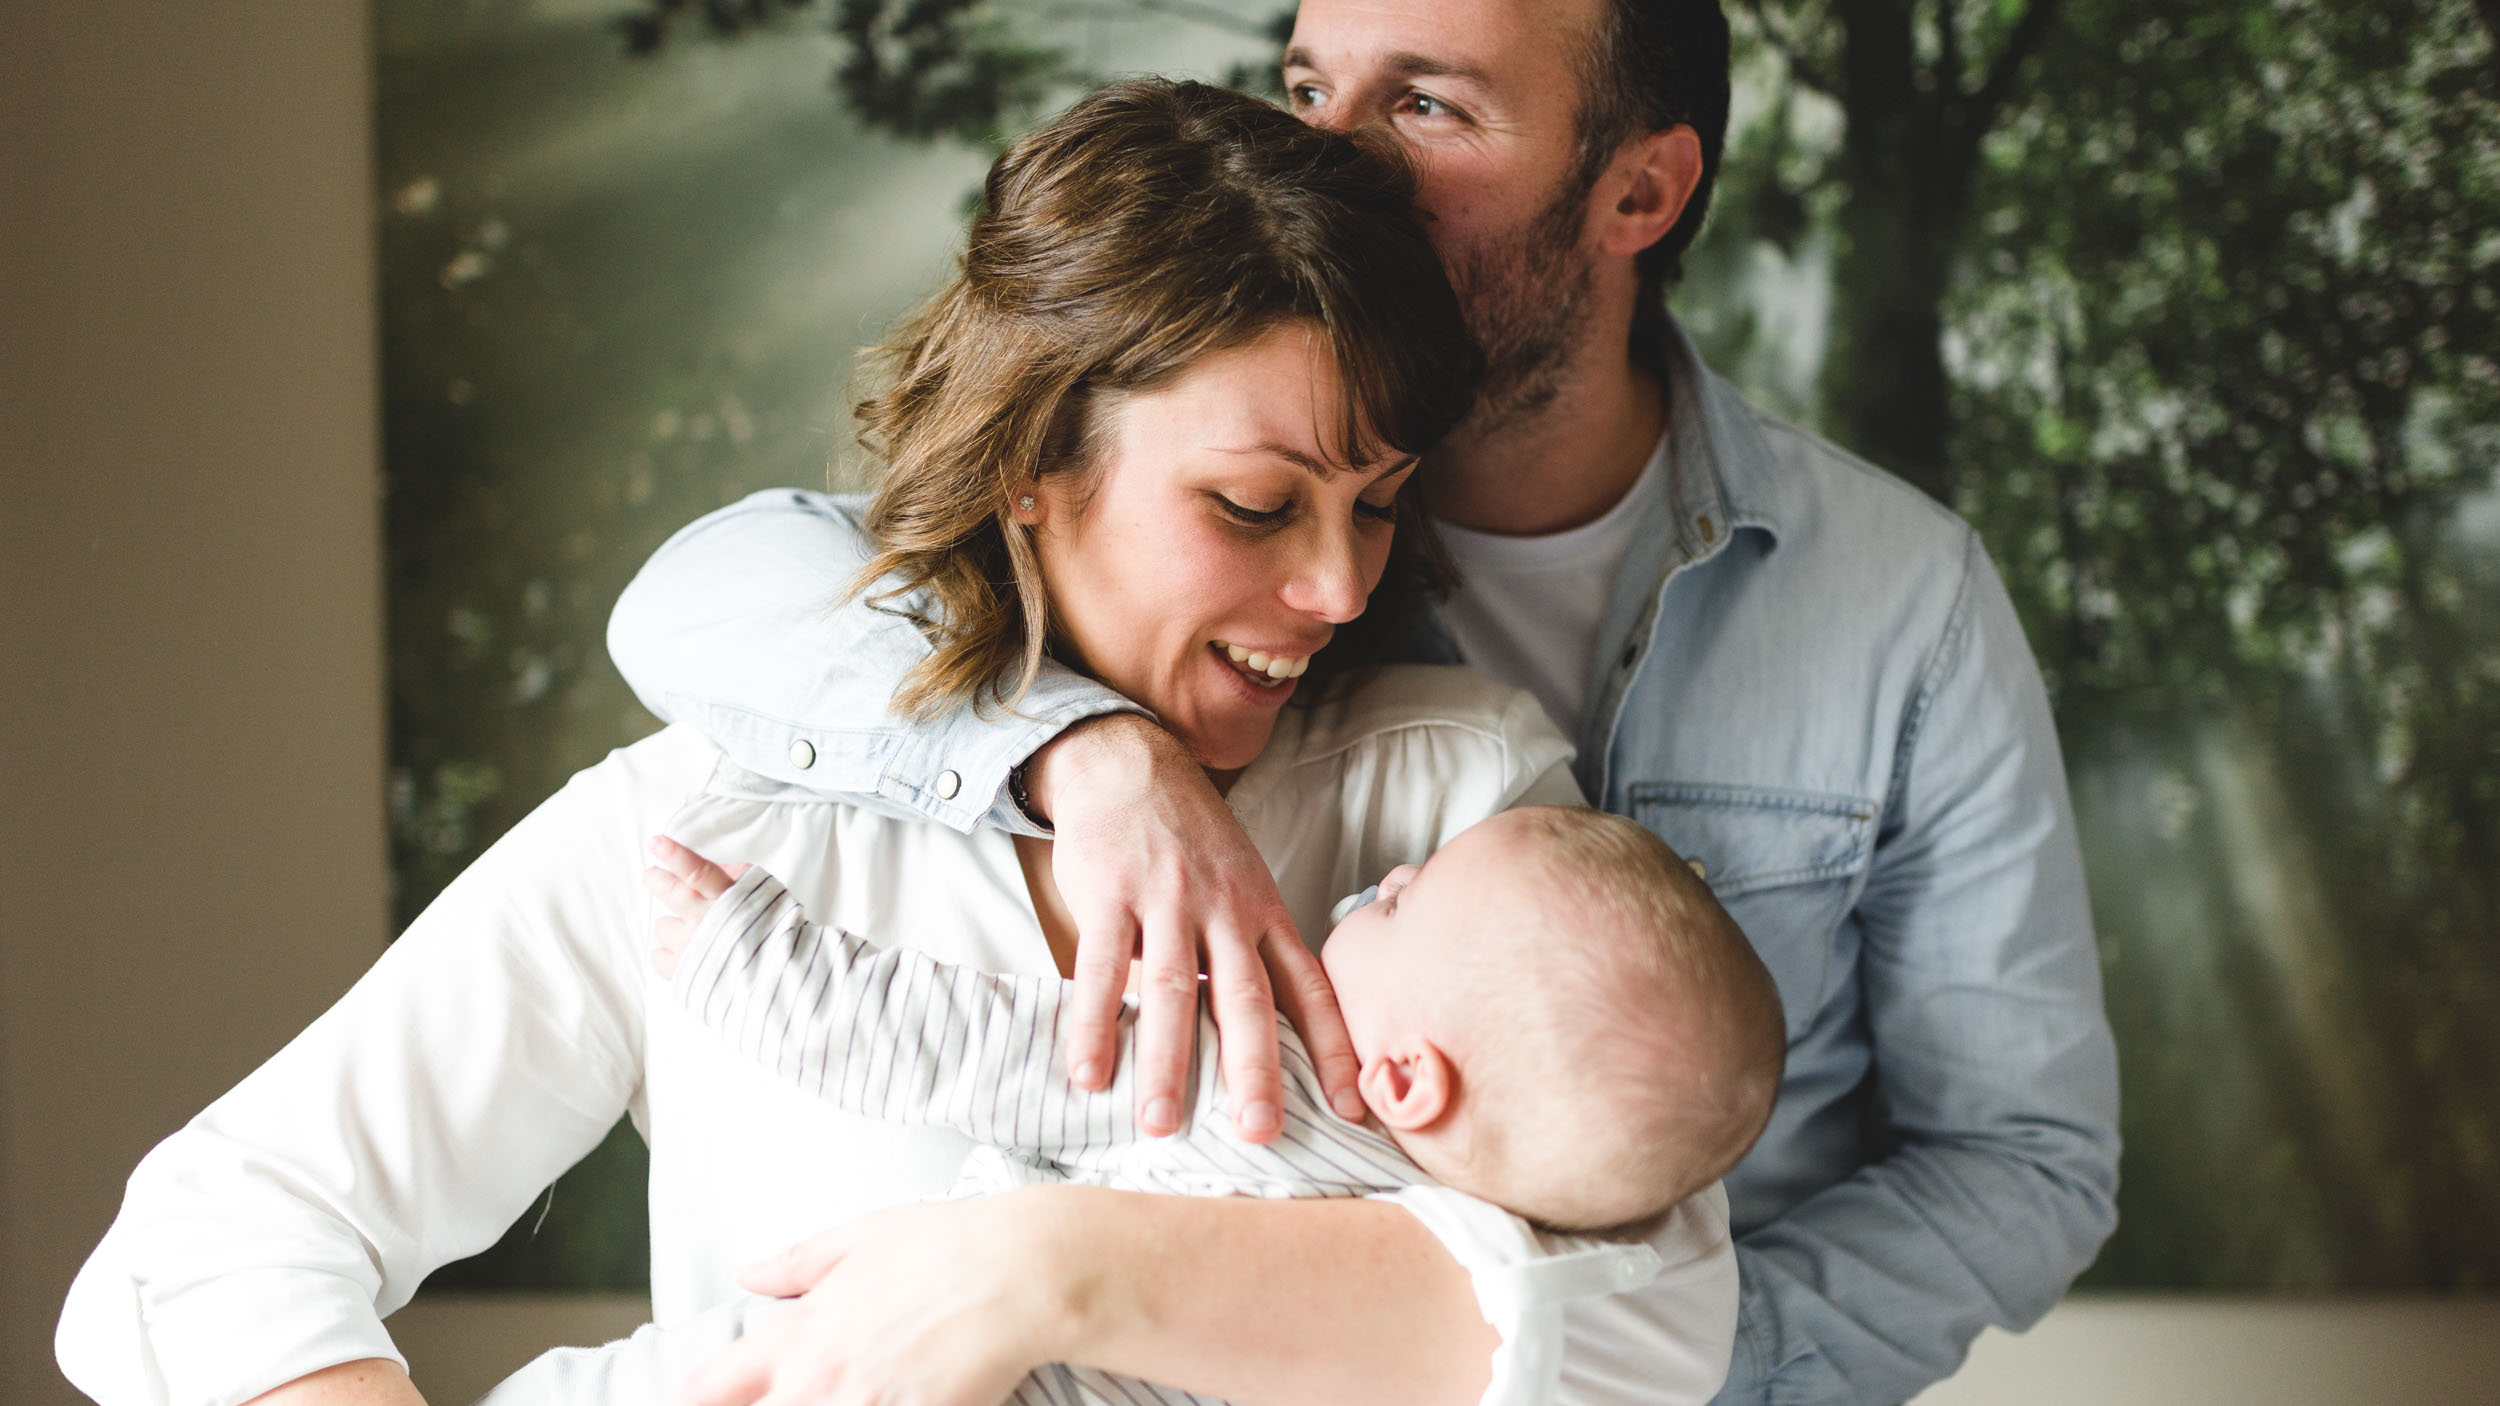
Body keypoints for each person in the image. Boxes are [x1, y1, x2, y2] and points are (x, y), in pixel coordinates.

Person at [56, 79, 1743, 1406]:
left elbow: (1655, 1330)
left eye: (1375, 506)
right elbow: (209, 1238)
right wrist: (1098, 753)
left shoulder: (1449, 800)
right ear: (1035, 468)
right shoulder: (716, 829)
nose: (1333, 582)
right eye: (1253, 503)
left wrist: (1048, 1270)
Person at [602, 1, 2126, 1402]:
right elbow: (727, 585)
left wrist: (1631, 1366)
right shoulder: (1196, 517)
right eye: (1312, 84)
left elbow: (2020, 1156)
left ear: (1639, 195)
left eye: (1430, 110)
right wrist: (1088, 749)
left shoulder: (1902, 606)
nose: (1327, 160)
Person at [484, 806, 1785, 1406]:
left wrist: (741, 953)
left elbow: (963, 1044)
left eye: (1401, 895)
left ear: (1404, 1077)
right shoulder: (1459, 1317)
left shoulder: (1242, 1072)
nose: (1374, 880)